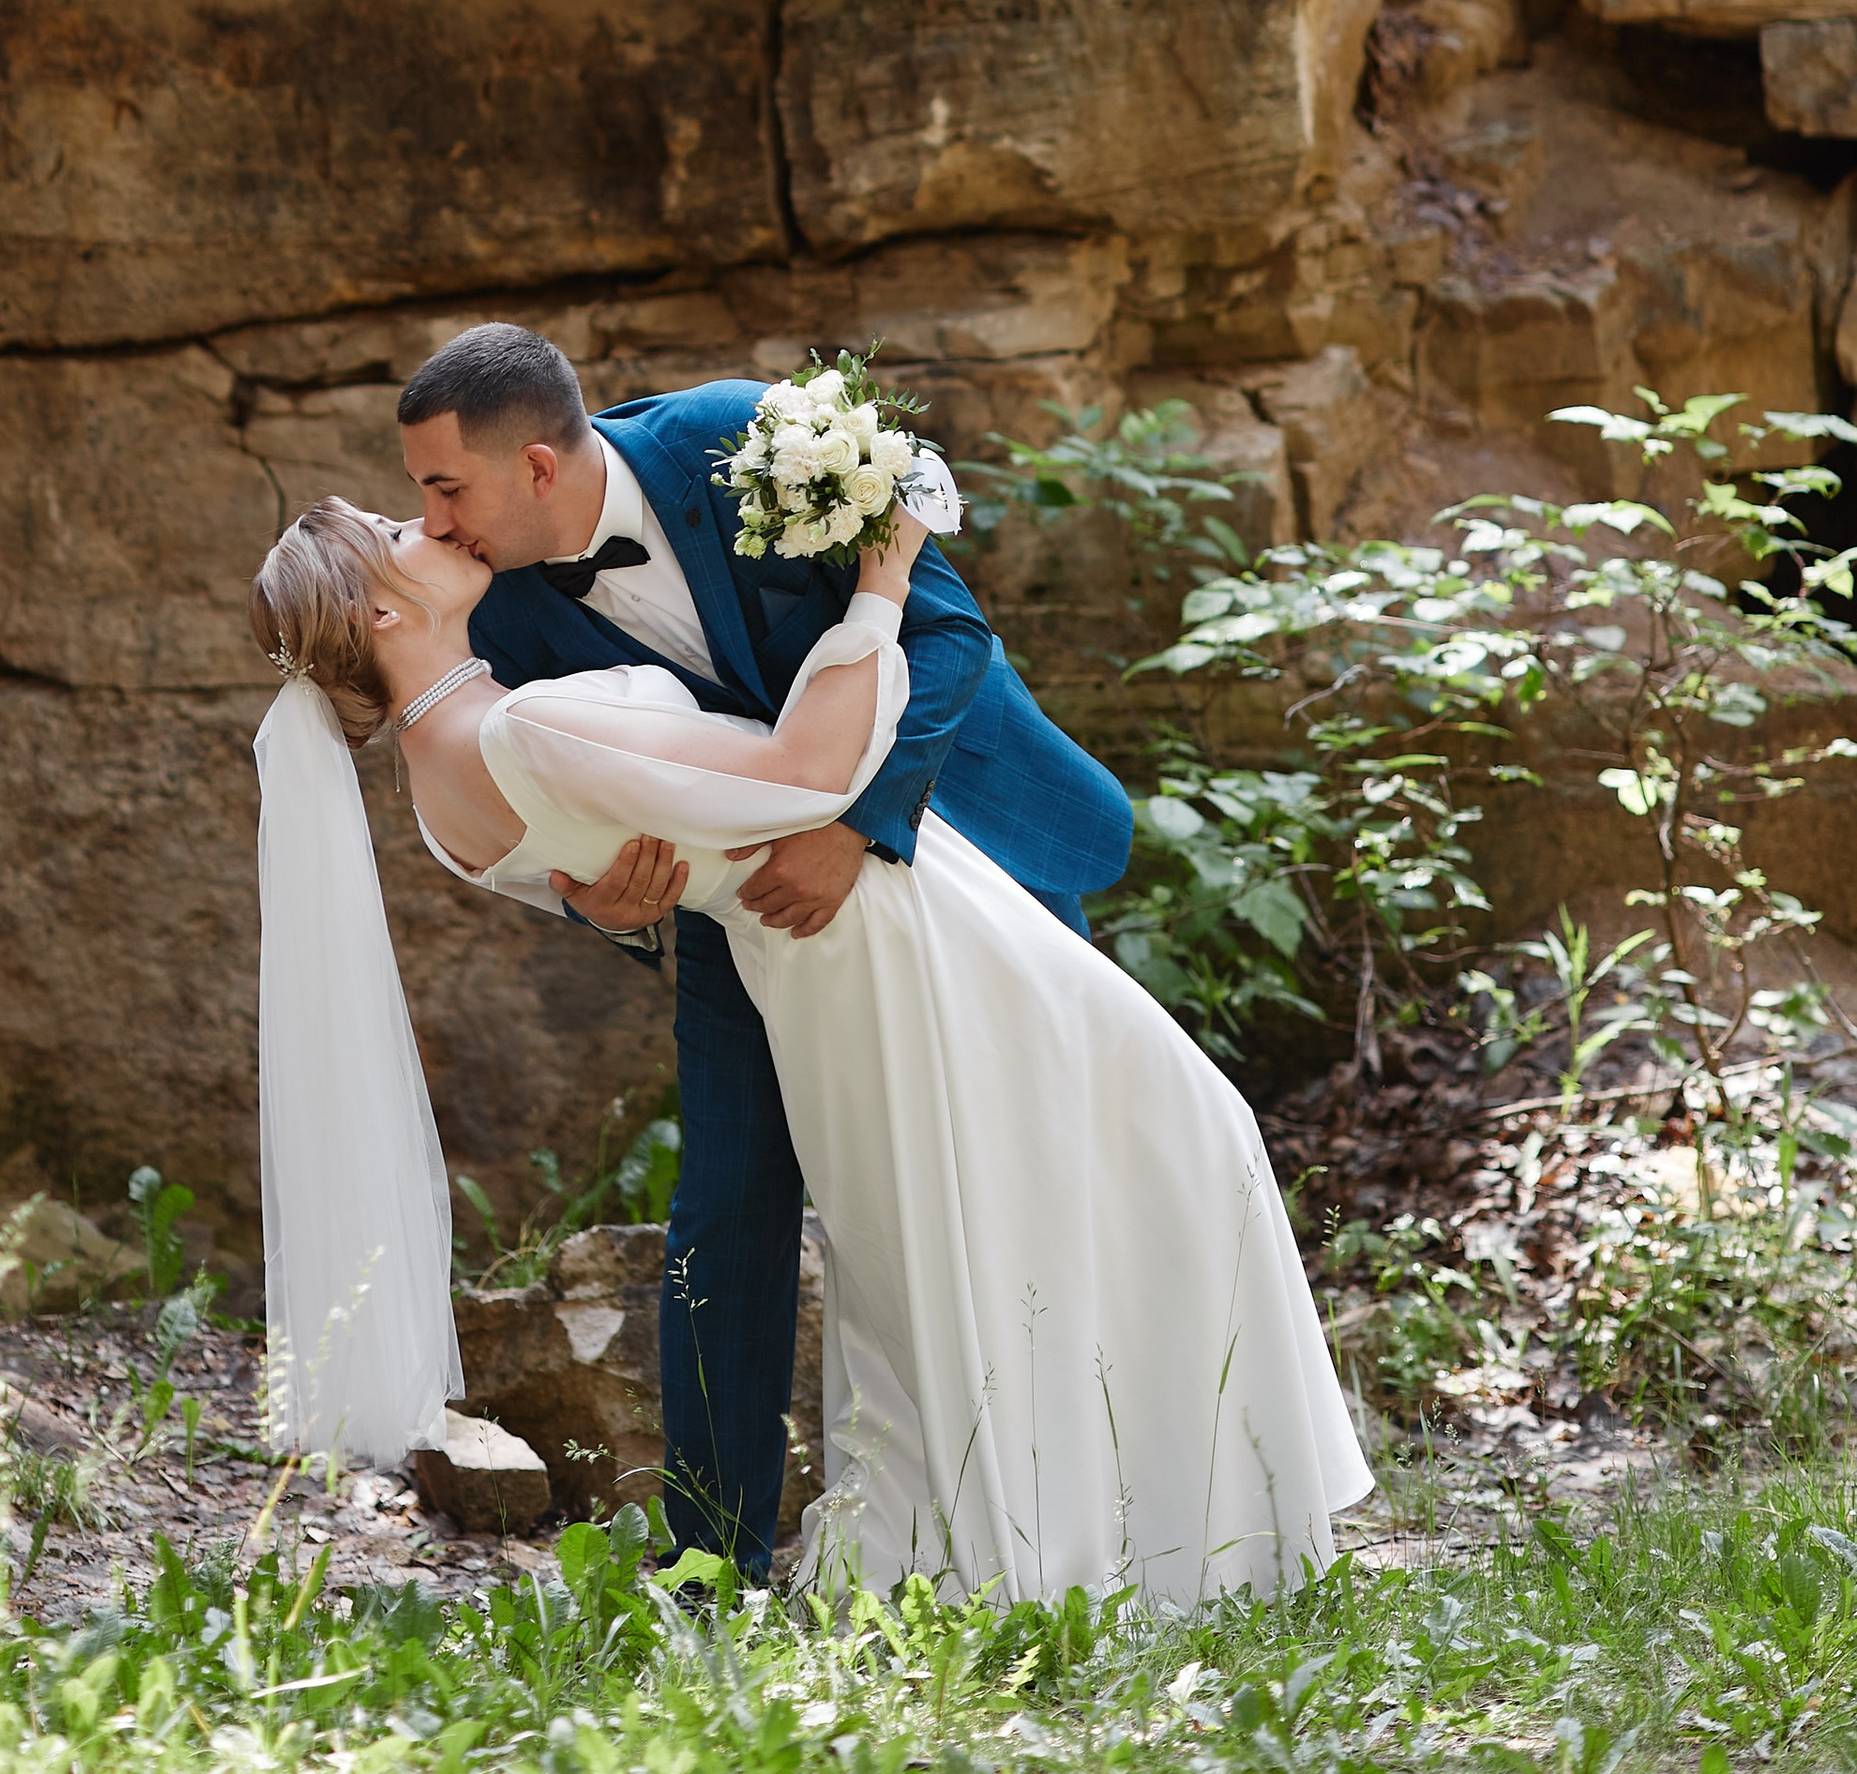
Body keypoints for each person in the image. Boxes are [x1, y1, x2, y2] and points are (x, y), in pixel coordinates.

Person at [248, 488, 1369, 1608]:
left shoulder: (437, 792)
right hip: (881, 928)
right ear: (378, 615)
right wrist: (883, 577)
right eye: (395, 535)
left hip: (823, 953)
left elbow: (600, 861)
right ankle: (1179, 1522)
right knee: (1159, 1139)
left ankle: (1104, 1518)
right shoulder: (518, 728)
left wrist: (609, 895)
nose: (429, 522)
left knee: (982, 1226)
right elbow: (803, 774)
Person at [394, 322, 1135, 1573]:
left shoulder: (743, 438)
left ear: (534, 465)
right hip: (749, 920)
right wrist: (601, 904)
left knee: (1052, 1143)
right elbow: (555, 804)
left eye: (444, 486)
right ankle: (713, 1558)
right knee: (726, 1204)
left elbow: (948, 635)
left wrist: (858, 824)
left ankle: (1105, 1471)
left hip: (952, 828)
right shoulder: (496, 611)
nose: (433, 520)